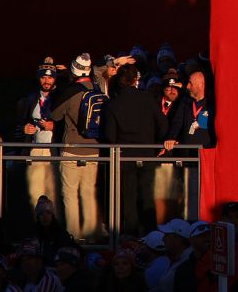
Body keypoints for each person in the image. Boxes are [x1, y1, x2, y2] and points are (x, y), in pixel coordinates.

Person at [104, 62, 168, 234]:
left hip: (124, 156)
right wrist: (158, 142)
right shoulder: (147, 98)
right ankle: (151, 237)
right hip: (147, 153)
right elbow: (162, 123)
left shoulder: (113, 104)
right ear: (135, 80)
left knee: (128, 200)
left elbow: (110, 136)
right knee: (147, 198)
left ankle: (131, 239)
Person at [50, 53, 104, 241]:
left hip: (72, 147)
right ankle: (91, 236)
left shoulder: (70, 90)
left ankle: (74, 236)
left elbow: (55, 115)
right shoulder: (98, 89)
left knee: (70, 194)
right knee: (89, 193)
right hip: (95, 149)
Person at [16, 63, 60, 220]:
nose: (46, 81)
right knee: (34, 193)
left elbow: (69, 123)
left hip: (54, 151)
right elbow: (18, 123)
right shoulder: (29, 98)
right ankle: (35, 227)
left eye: (50, 77)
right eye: (43, 77)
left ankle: (54, 229)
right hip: (34, 149)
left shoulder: (60, 97)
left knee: (53, 194)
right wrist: (24, 128)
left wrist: (55, 126)